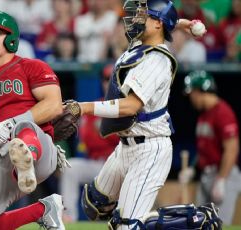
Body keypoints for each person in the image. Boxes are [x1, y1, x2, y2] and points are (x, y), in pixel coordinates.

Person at [72, 0, 221, 229]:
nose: (135, 20)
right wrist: (181, 23)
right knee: (94, 202)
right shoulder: (143, 41)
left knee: (126, 226)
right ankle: (135, 217)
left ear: (157, 24)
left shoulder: (157, 60)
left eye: (143, 16)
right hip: (125, 147)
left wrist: (83, 107)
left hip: (149, 149)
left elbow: (130, 106)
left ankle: (195, 221)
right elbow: (163, 24)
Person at [0, 11, 68, 229]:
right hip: (0, 159)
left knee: (22, 126)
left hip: (39, 146)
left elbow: (54, 105)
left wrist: (10, 124)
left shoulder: (32, 66)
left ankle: (25, 161)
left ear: (11, 39)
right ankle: (43, 210)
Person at [59, 65, 119, 223]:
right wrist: (106, 133)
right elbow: (88, 141)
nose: (109, 83)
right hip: (96, 164)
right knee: (70, 167)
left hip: (118, 166)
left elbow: (121, 140)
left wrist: (103, 133)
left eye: (113, 79)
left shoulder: (127, 106)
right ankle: (68, 217)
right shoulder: (95, 106)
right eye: (106, 79)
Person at [180, 70, 240, 225]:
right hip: (206, 176)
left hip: (223, 174)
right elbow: (203, 148)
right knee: (201, 224)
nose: (191, 98)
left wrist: (221, 179)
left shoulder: (223, 112)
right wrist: (193, 169)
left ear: (201, 91)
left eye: (192, 93)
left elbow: (232, 149)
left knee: (217, 225)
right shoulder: (204, 114)